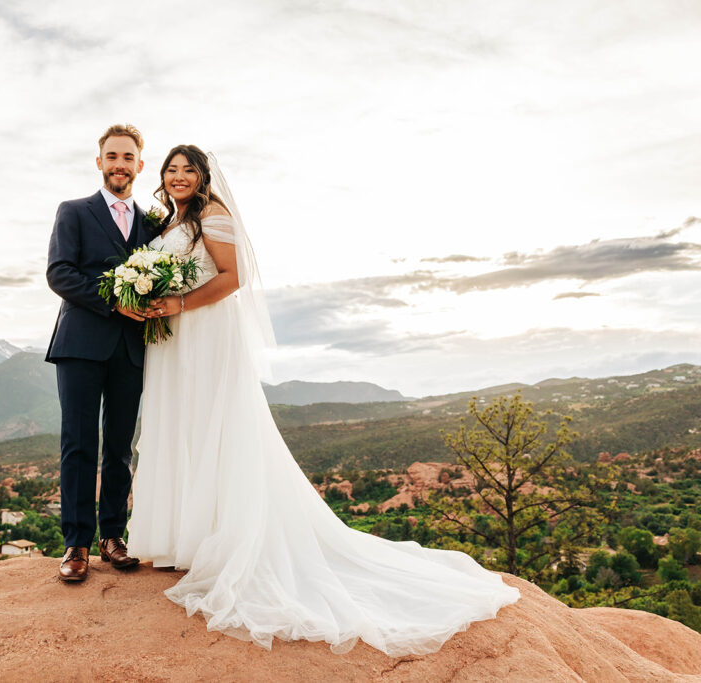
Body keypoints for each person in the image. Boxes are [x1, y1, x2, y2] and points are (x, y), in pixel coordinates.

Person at [126, 145, 521, 656]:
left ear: (203, 177)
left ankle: (218, 538)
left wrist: (176, 302)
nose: (179, 177)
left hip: (204, 334)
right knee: (180, 426)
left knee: (211, 425)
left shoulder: (213, 215)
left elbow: (232, 279)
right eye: (171, 170)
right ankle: (185, 538)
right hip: (174, 339)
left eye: (188, 170)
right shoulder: (168, 222)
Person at [45, 124, 156, 582]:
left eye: (127, 157)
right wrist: (116, 299)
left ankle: (113, 536)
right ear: (99, 162)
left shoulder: (153, 224)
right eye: (111, 156)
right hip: (80, 345)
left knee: (120, 449)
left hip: (131, 350)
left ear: (139, 166)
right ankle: (76, 545)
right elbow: (60, 274)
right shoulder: (74, 212)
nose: (119, 165)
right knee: (79, 445)